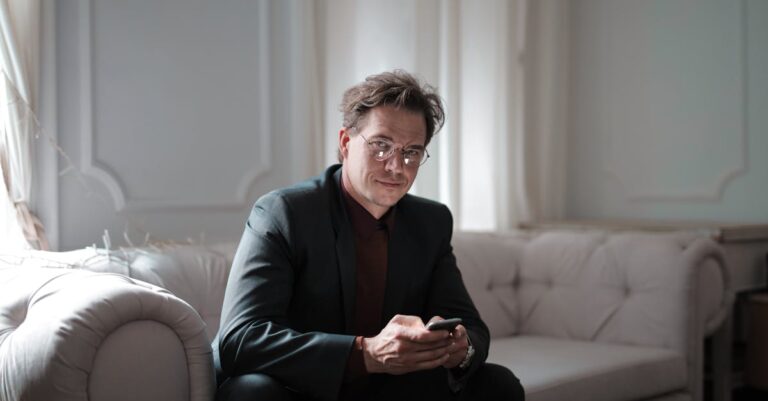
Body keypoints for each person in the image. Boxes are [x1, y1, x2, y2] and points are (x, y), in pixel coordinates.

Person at [214, 70, 524, 401]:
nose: (397, 167)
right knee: (252, 393)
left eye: (412, 152)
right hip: (301, 389)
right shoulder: (283, 212)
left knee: (497, 384)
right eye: (381, 145)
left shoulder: (430, 222)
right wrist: (366, 353)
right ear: (346, 143)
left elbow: (472, 328)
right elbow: (240, 339)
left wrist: (458, 347)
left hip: (386, 390)